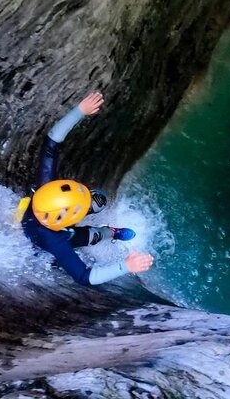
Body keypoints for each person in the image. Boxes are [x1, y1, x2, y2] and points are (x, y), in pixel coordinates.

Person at [20, 91, 154, 286]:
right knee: (93, 235)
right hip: (58, 236)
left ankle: (105, 229)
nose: (90, 204)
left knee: (99, 202)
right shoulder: (57, 243)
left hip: (48, 223)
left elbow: (51, 143)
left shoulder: (45, 191)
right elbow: (84, 277)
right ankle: (111, 233)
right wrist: (126, 266)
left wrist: (79, 111)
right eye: (86, 207)